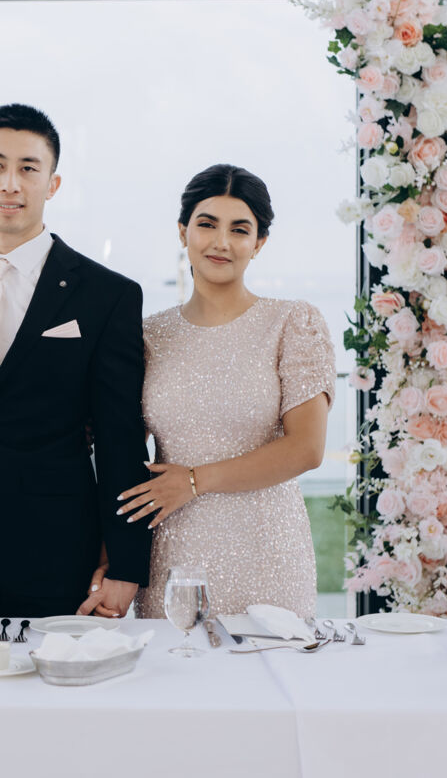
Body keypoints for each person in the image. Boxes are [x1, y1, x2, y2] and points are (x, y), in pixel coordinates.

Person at [0, 104, 150, 619]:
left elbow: (120, 437)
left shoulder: (106, 294)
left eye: (28, 168)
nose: (10, 183)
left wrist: (126, 564)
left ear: (53, 183)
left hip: (54, 549)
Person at [117, 164, 334, 619]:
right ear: (183, 231)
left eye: (239, 229)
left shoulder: (292, 323)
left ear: (259, 243)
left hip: (268, 551)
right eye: (207, 224)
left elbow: (307, 448)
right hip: (174, 553)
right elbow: (122, 451)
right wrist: (111, 559)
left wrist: (194, 481)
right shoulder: (147, 336)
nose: (221, 242)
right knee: (174, 659)